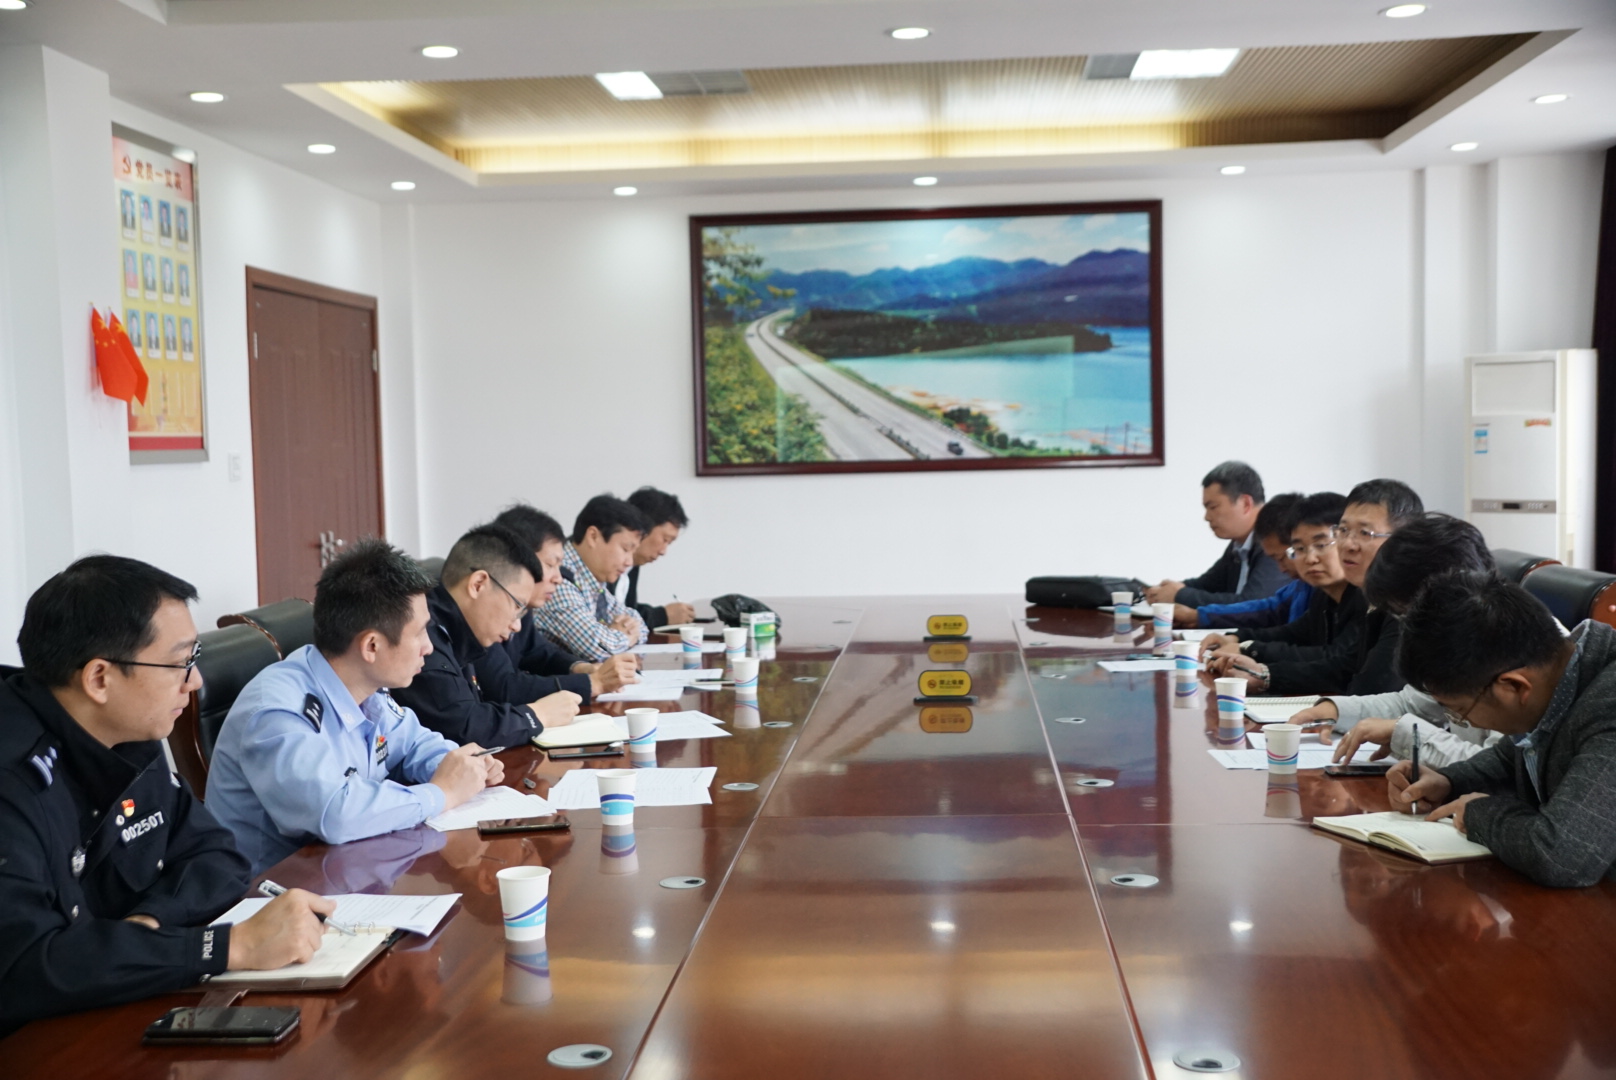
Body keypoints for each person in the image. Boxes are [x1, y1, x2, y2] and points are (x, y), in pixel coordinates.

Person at [0, 556, 333, 1035]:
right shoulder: (14, 782)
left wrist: (150, 926)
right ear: (99, 679)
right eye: (180, 663)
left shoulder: (129, 734)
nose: (195, 681)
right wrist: (227, 948)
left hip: (113, 1008)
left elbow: (217, 854)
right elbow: (25, 968)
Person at [207, 541, 507, 874]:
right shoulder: (279, 711)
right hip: (273, 890)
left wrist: (462, 767)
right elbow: (335, 813)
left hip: (343, 869)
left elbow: (414, 743)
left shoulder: (365, 688)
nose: (429, 647)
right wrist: (443, 793)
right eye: (420, 632)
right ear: (371, 646)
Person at [1390, 572, 1616, 888]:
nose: (1464, 721)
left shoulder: (1609, 705)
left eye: (1459, 711)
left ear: (1513, 686)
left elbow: (1561, 857)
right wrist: (1448, 781)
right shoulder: (1564, 674)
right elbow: (1511, 757)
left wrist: (1478, 814)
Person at [1283, 515, 1504, 766]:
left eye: (1411, 614)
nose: (1408, 628)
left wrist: (1403, 734)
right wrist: (1335, 710)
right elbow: (1414, 704)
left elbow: (1498, 768)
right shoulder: (1457, 636)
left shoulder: (1514, 652)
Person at [1204, 478, 1422, 696]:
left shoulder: (1409, 604)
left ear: (1405, 538)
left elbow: (1368, 688)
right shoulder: (1358, 595)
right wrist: (1259, 666)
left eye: (1365, 533)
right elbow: (1344, 666)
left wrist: (1255, 656)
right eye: (1343, 531)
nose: (1348, 544)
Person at [392, 524, 580, 747]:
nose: (517, 625)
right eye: (517, 605)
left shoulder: (465, 631)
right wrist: (538, 714)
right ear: (478, 584)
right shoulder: (425, 633)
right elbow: (464, 727)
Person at [479, 504, 639, 704]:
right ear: (516, 561)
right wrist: (592, 683)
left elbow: (538, 652)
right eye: (550, 565)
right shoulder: (484, 610)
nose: (559, 578)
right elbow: (503, 687)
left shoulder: (524, 605)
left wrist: (581, 668)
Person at [1203, 492, 1361, 694]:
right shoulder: (1323, 594)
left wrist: (1254, 655)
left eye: (1321, 545)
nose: (1310, 558)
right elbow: (1294, 633)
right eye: (1300, 549)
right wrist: (1239, 639)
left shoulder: (1367, 597)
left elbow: (1337, 660)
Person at [1145, 461, 1288, 609]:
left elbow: (1253, 604)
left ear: (1245, 503)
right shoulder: (1239, 544)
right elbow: (1208, 584)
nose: (1206, 517)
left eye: (1213, 507)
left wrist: (1179, 595)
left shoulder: (1275, 541)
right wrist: (1169, 589)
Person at [534, 495, 651, 661]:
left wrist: (617, 635)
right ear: (593, 536)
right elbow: (596, 648)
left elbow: (638, 624)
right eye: (626, 549)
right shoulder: (558, 577)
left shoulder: (591, 578)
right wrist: (623, 637)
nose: (629, 562)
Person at [1173, 493, 1310, 629]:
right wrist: (1199, 616)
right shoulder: (1298, 587)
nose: (1281, 569)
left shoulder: (1317, 589)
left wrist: (1182, 597)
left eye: (1213, 507)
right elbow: (1267, 609)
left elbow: (1256, 603)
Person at [621, 487, 696, 628]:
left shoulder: (633, 563)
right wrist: (662, 616)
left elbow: (625, 610)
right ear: (642, 527)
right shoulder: (610, 563)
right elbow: (612, 620)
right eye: (665, 539)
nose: (663, 552)